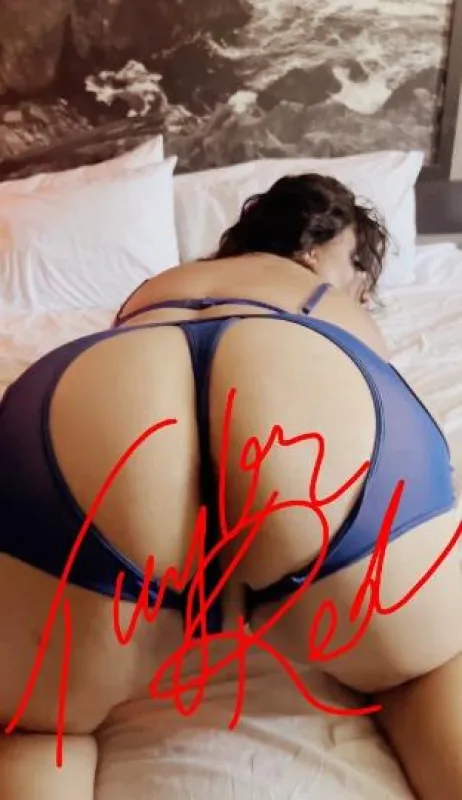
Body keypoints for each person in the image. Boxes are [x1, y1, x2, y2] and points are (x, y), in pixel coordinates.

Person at [0, 173, 461, 800]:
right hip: (295, 398)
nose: (364, 286)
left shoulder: (161, 285)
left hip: (103, 399)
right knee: (425, 670)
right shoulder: (324, 294)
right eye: (360, 265)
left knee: (38, 728)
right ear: (318, 247)